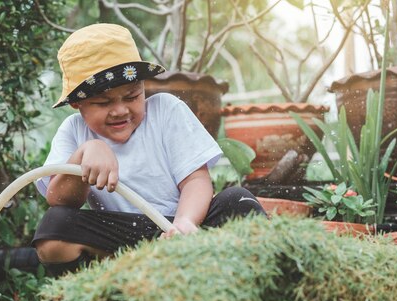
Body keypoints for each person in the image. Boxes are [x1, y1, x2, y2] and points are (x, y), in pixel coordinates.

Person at [32, 23, 265, 276]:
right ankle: (120, 278)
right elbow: (59, 199)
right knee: (53, 228)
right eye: (103, 102)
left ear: (144, 86)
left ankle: (228, 270)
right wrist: (85, 153)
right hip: (125, 236)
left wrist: (184, 222)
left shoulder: (166, 110)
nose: (120, 110)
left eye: (132, 96)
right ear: (77, 103)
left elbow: (196, 181)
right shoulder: (73, 130)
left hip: (183, 228)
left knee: (237, 201)